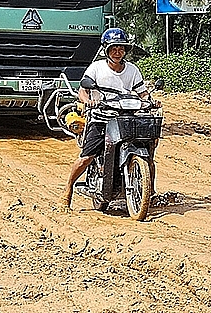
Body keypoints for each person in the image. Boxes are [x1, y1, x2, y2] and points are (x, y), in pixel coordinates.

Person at [61, 27, 157, 209]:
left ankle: (149, 192)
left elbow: (142, 92)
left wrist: (151, 101)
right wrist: (88, 101)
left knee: (149, 155)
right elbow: (83, 90)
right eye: (114, 48)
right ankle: (68, 189)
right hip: (101, 117)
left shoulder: (132, 70)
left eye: (121, 48)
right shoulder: (97, 68)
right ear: (106, 49)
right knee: (87, 157)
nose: (118, 52)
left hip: (126, 118)